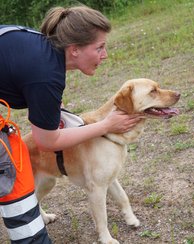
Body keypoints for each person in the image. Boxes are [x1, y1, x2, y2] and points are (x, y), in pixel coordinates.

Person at [0, 5, 140, 243]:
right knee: (16, 183)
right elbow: (46, 141)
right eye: (99, 47)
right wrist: (106, 125)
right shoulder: (46, 73)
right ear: (74, 49)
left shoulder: (43, 51)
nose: (104, 55)